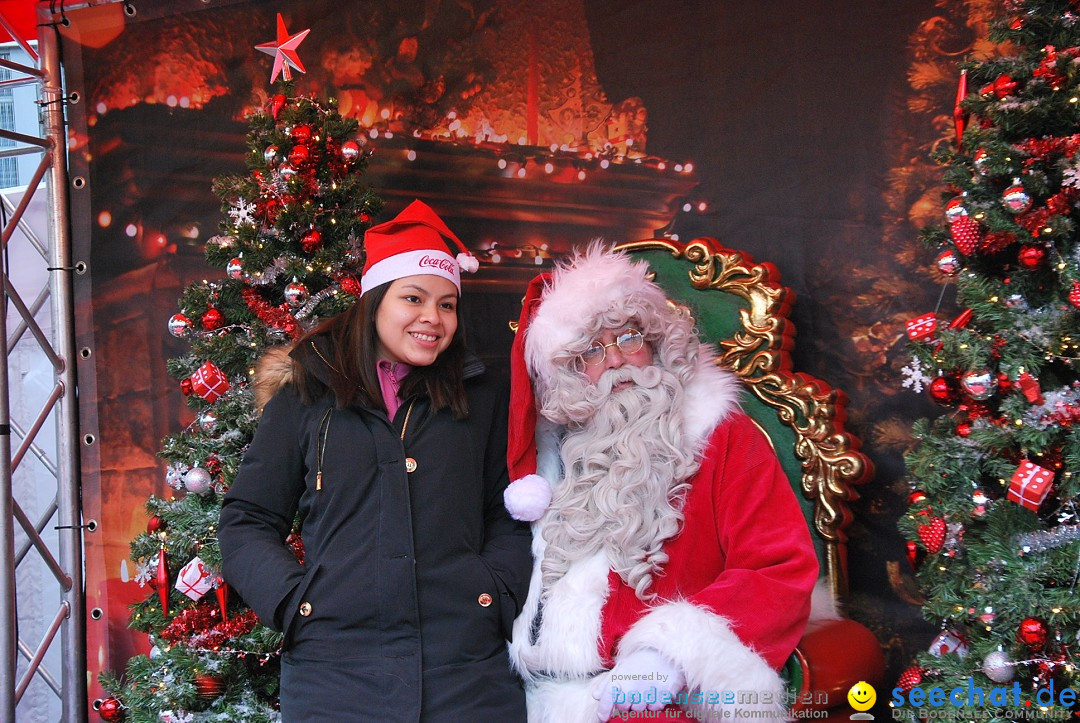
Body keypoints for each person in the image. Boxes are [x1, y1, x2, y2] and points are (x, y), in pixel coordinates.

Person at [218, 200, 532, 721]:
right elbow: (247, 518)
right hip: (335, 678)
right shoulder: (306, 396)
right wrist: (295, 604)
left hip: (466, 675)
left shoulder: (482, 398)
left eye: (447, 304)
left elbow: (510, 513)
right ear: (375, 301)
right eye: (414, 298)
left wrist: (492, 593)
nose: (433, 318)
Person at [501, 244, 819, 722]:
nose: (616, 362)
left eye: (628, 337)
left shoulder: (724, 438)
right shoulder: (543, 466)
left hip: (666, 697)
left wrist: (668, 655)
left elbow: (776, 567)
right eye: (591, 350)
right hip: (535, 694)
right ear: (569, 374)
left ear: (654, 341)